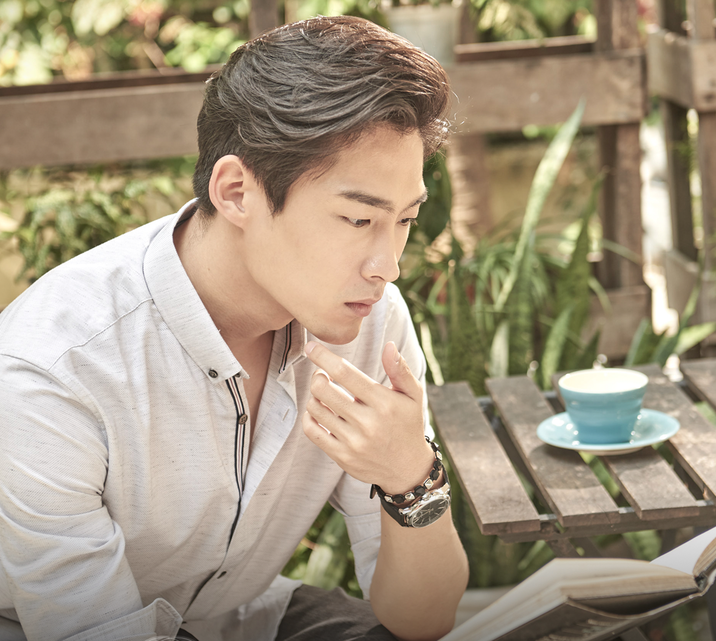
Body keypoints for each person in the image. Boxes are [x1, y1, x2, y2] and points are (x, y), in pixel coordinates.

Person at [0, 14, 469, 641]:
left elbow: (423, 619)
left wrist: (411, 475)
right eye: (359, 221)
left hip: (237, 619)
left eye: (405, 219)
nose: (389, 265)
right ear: (237, 192)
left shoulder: (370, 320)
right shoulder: (54, 369)